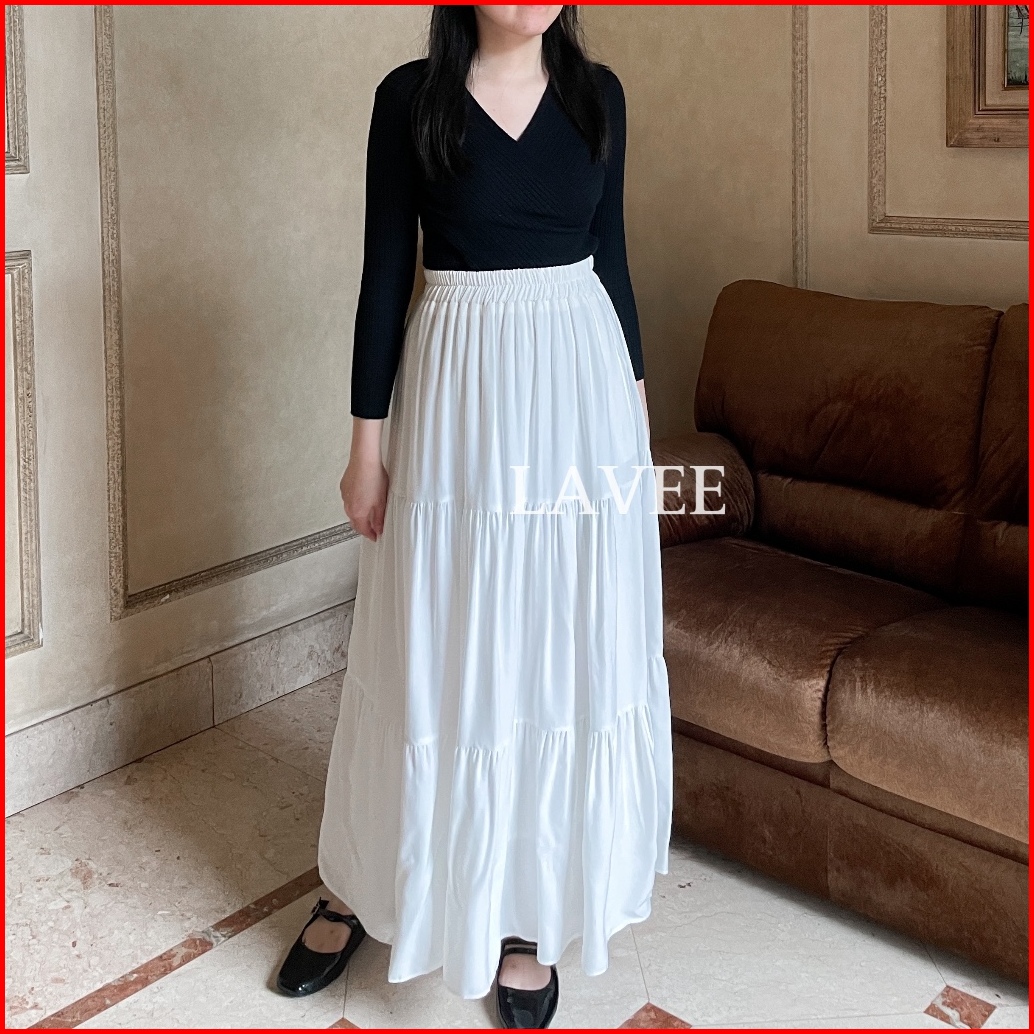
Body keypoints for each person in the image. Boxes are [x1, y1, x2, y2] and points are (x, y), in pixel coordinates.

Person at [275, 5, 672, 1029]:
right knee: (432, 641)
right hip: (458, 392)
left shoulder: (598, 97)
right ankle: (366, 884)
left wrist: (634, 424)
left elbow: (613, 258)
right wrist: (365, 447)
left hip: (579, 391)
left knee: (552, 650)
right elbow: (382, 276)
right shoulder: (409, 100)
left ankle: (526, 915)